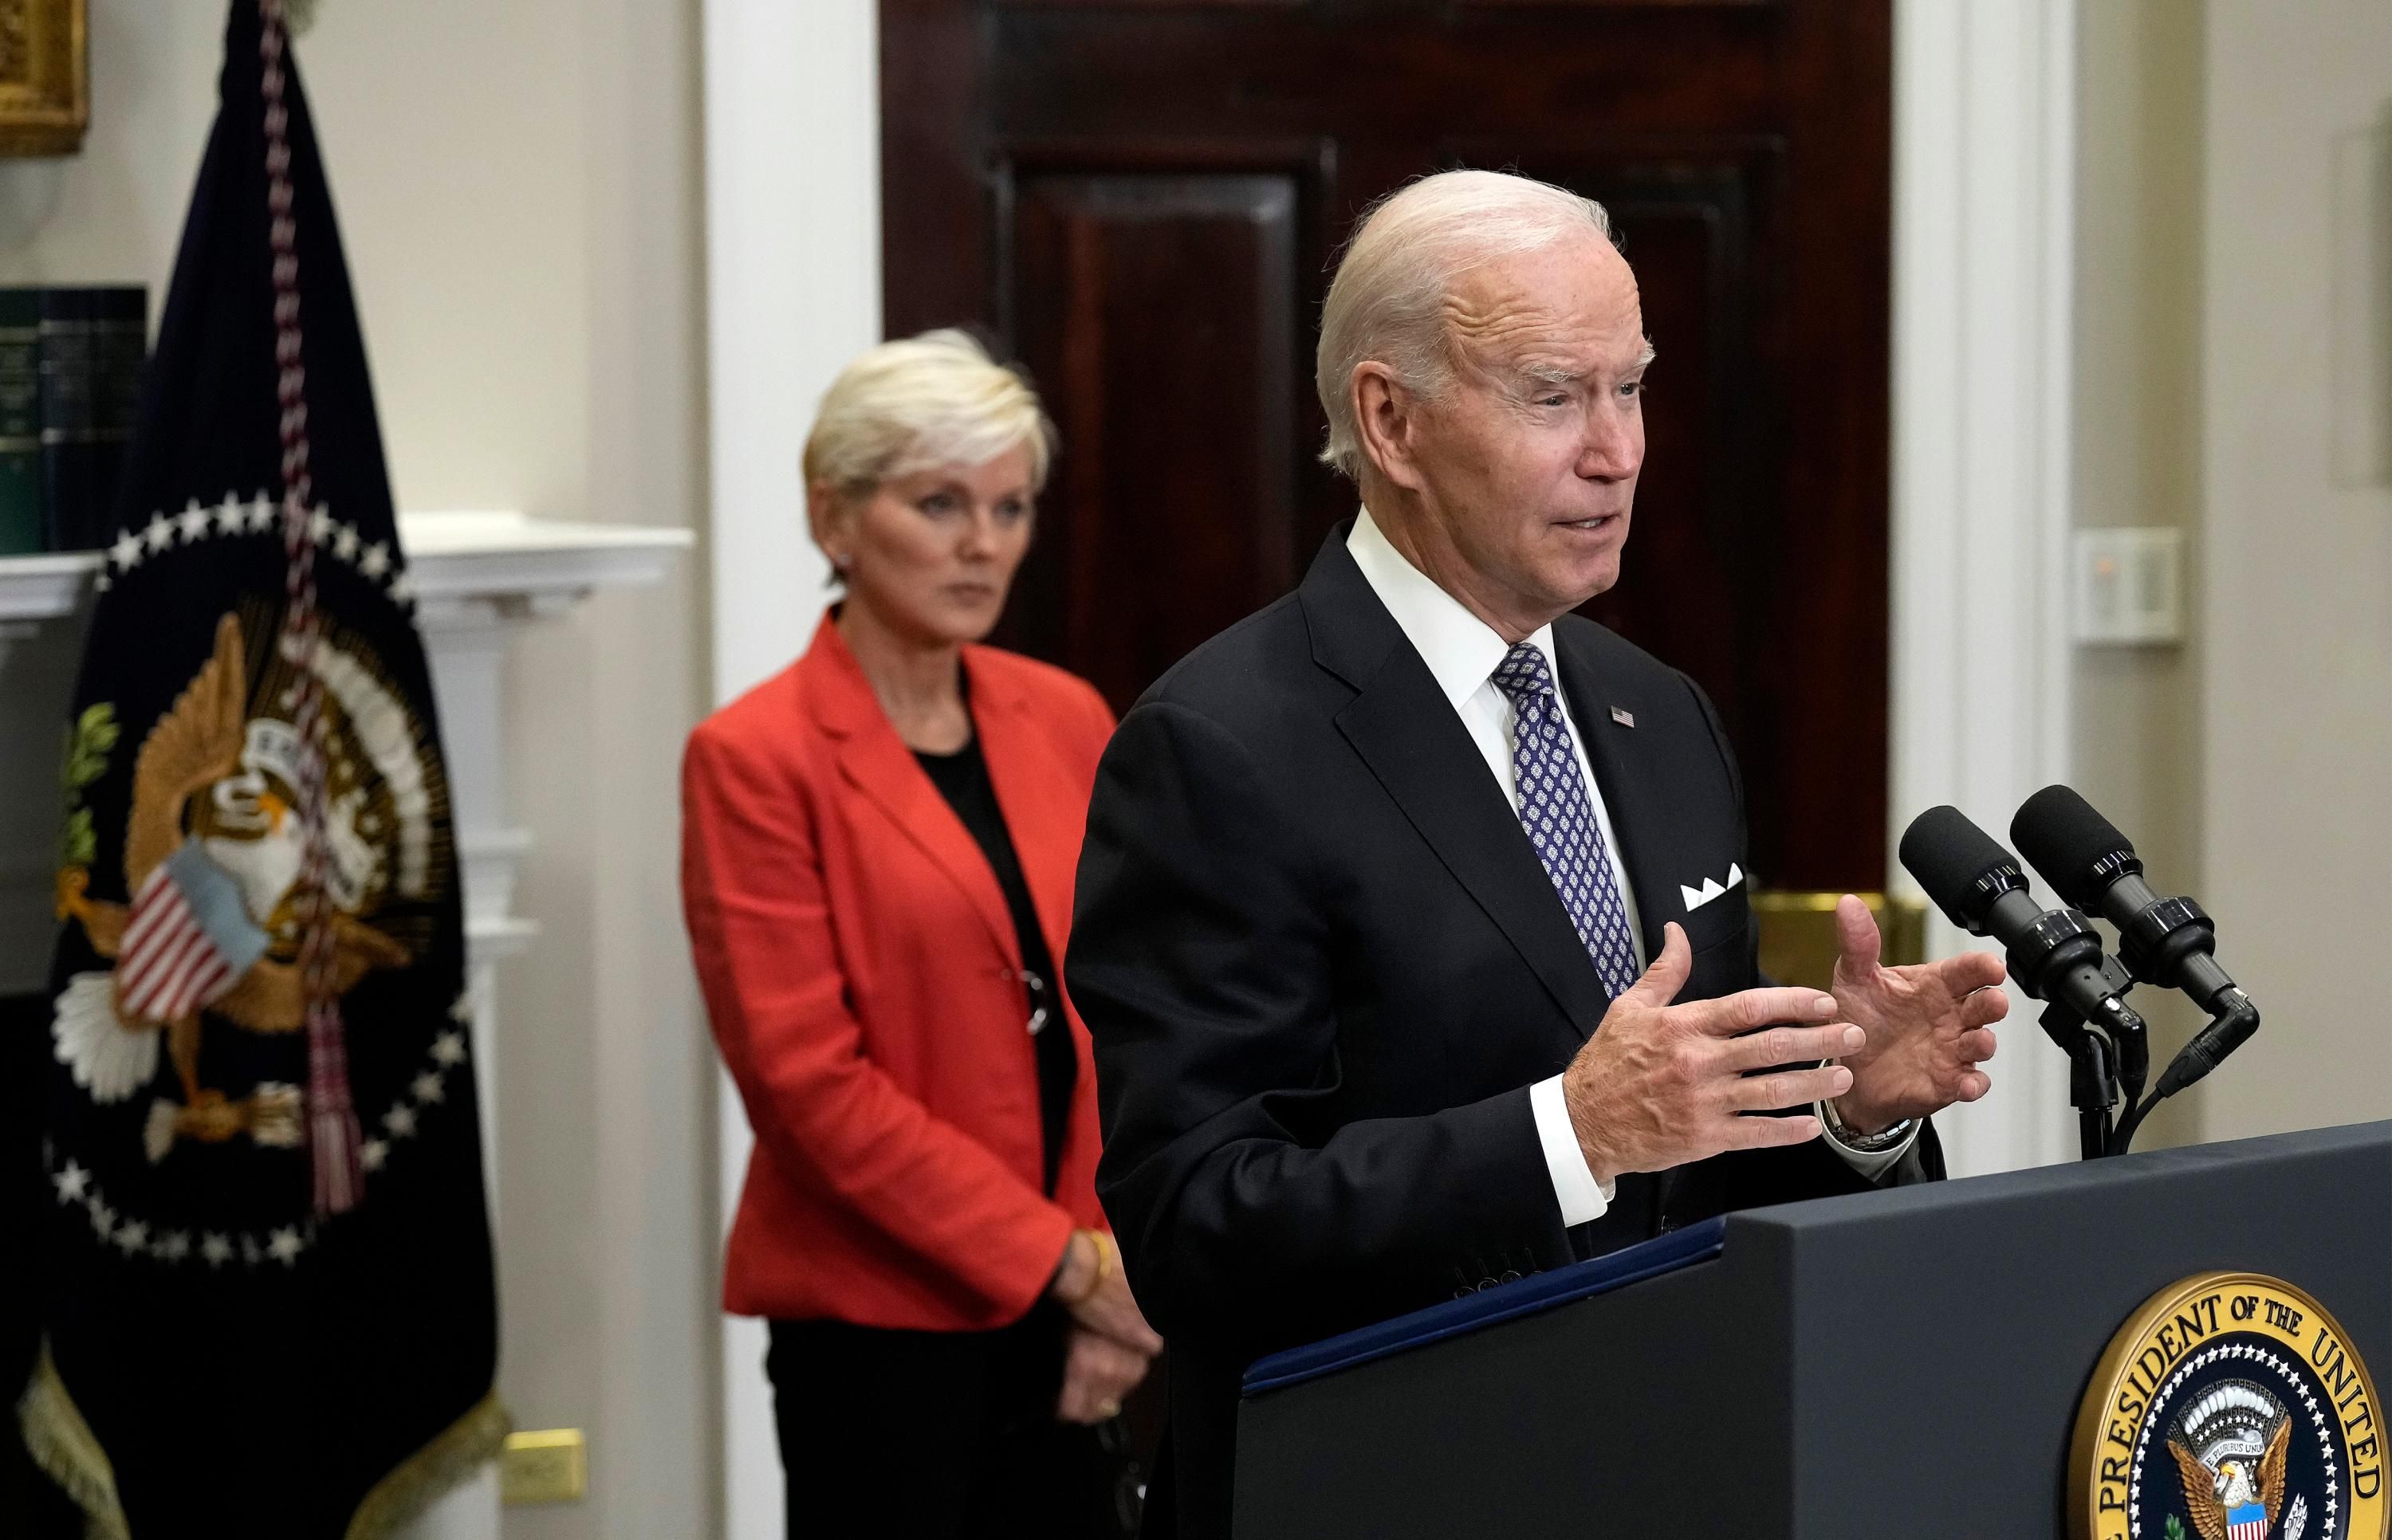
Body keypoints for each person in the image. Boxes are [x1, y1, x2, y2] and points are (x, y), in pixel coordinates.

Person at [1067, 170, 2010, 1538]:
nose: (1618, 451)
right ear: (1390, 420)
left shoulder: (1661, 714)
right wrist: (1566, 1133)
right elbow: (1191, 1228)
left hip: (1672, 1471)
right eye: (1556, 397)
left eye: (1631, 390)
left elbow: (1699, 1163)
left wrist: (1848, 1111)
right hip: (1375, 1491)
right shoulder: (1221, 747)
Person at [683, 330, 1161, 1537]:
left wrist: (1108, 1268)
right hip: (878, 1327)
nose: (982, 541)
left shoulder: (1063, 715)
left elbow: (1125, 1002)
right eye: (939, 503)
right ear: (832, 517)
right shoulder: (754, 759)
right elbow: (808, 1089)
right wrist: (1068, 1266)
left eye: (1009, 506)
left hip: (1079, 1302)